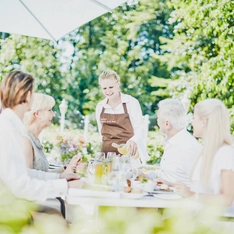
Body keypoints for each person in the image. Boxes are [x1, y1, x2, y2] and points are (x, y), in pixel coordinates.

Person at [0, 71, 83, 205]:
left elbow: (24, 172)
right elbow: (20, 185)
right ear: (27, 95)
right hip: (9, 212)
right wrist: (65, 186)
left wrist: (60, 177)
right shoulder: (7, 129)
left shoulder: (10, 125)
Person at [175, 99, 234, 213]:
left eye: (194, 118)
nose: (192, 123)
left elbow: (227, 199)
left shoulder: (225, 153)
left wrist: (191, 195)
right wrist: (170, 185)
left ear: (203, 121)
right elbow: (201, 190)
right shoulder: (207, 150)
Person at [95, 69, 149, 167]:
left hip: (128, 157)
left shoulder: (131, 102)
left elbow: (140, 128)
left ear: (118, 83)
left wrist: (134, 140)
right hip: (107, 157)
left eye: (111, 87)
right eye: (104, 88)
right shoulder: (100, 107)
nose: (108, 91)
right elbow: (101, 132)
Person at [145, 99, 201, 187]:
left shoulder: (189, 149)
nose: (157, 121)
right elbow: (166, 173)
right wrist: (147, 176)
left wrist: (171, 185)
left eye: (158, 118)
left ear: (167, 124)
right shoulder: (173, 142)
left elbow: (199, 186)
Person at [23, 93, 80, 173]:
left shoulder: (34, 140)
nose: (53, 115)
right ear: (37, 114)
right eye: (50, 110)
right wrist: (63, 177)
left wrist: (67, 167)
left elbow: (43, 174)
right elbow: (29, 180)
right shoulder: (25, 141)